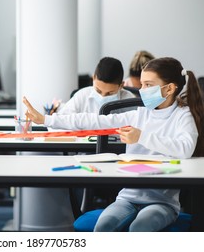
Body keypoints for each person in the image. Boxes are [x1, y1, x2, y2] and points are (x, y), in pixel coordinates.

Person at [23, 57, 204, 231]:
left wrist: (141, 136)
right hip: (127, 198)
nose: (142, 90)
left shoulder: (182, 116)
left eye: (148, 85)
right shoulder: (139, 114)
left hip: (162, 202)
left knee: (140, 228)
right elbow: (94, 121)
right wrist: (46, 119)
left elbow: (185, 149)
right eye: (141, 84)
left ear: (170, 88)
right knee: (104, 226)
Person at [59, 57, 135, 115]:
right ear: (93, 78)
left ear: (121, 85)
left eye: (109, 93)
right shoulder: (82, 96)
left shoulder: (130, 102)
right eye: (98, 91)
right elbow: (60, 121)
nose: (102, 96)